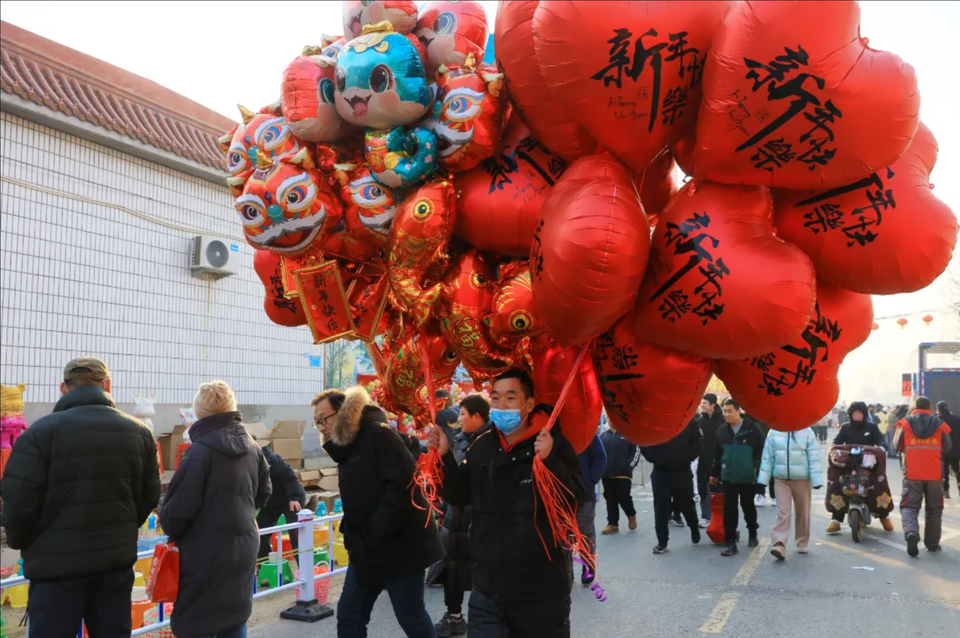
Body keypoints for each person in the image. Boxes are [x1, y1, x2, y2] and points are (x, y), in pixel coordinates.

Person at [1, 358, 160, 638]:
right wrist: (121, 528)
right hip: (114, 565)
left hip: (55, 570)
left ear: (63, 388)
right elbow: (149, 496)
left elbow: (18, 501)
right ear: (107, 385)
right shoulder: (140, 433)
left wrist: (23, 541)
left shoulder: (39, 433)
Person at [428, 369, 584, 638]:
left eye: (510, 399)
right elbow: (460, 494)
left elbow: (572, 503)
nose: (501, 406)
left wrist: (549, 462)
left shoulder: (550, 445)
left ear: (529, 404)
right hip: (488, 590)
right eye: (496, 398)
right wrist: (444, 458)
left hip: (541, 592)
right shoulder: (482, 446)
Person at [314, 386, 444, 638]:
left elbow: (404, 487)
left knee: (411, 617)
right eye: (316, 422)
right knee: (350, 615)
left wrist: (374, 532)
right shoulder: (345, 447)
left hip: (400, 548)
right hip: (365, 549)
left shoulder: (378, 435)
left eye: (324, 419)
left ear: (344, 413)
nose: (321, 427)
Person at [159, 380, 271, 638]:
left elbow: (175, 515)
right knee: (234, 615)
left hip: (204, 551)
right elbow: (265, 491)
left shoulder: (200, 451)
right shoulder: (252, 446)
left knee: (197, 621)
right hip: (243, 544)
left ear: (200, 412)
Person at [432, 394, 491, 637]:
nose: (461, 420)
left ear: (477, 416)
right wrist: (442, 507)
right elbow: (452, 480)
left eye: (464, 415)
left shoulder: (490, 443)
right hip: (452, 518)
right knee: (452, 571)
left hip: (475, 521)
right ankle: (454, 616)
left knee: (479, 573)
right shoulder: (458, 441)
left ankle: (485, 620)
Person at [894, 397, 953, 557]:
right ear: (930, 407)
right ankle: (932, 544)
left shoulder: (904, 423)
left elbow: (896, 445)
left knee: (909, 507)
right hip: (934, 474)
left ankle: (911, 533)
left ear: (914, 407)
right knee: (934, 509)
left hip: (912, 473)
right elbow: (947, 448)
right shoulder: (940, 425)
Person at [826, 401, 894, 534]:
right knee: (839, 485)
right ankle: (836, 520)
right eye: (854, 414)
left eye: (859, 414)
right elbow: (836, 442)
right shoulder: (845, 427)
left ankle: (884, 516)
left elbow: (881, 440)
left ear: (864, 415)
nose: (857, 416)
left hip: (868, 464)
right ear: (851, 415)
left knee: (879, 485)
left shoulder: (872, 427)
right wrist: (835, 449)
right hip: (849, 463)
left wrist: (881, 447)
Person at [709, 399, 765, 556]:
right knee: (729, 510)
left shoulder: (753, 429)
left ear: (738, 410)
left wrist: (758, 471)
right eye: (724, 411)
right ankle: (730, 542)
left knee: (748, 507)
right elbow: (718, 454)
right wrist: (714, 473)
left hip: (748, 477)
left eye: (729, 411)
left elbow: (761, 452)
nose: (726, 414)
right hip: (728, 476)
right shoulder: (722, 431)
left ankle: (752, 532)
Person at [758, 427, 823, 560]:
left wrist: (816, 480)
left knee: (803, 512)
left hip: (802, 479)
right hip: (780, 479)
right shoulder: (774, 431)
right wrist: (763, 479)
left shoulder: (807, 431)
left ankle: (802, 541)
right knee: (783, 512)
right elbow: (767, 456)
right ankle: (779, 543)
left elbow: (814, 456)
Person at [641, 419, 702, 554]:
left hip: (682, 470)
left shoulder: (689, 420)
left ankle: (693, 526)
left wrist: (687, 457)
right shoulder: (656, 419)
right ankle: (662, 541)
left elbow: (697, 441)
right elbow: (644, 442)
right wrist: (656, 458)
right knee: (661, 507)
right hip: (661, 472)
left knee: (686, 503)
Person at [256, 444, 307, 560]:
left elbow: (290, 478)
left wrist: (294, 497)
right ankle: (266, 564)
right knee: (259, 531)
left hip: (290, 498)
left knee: (295, 532)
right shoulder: (247, 463)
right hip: (271, 502)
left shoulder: (273, 460)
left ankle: (304, 569)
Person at [576, 432, 607, 580]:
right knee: (562, 537)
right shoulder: (553, 431)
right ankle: (564, 574)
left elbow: (600, 457)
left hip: (585, 494)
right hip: (560, 495)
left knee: (585, 532)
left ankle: (588, 567)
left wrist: (590, 480)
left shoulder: (585, 431)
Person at [599, 423, 640, 534]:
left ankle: (631, 515)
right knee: (610, 498)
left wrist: (628, 466)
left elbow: (635, 451)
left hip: (623, 473)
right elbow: (598, 453)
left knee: (624, 497)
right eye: (608, 417)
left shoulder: (628, 434)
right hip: (607, 474)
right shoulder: (603, 435)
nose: (610, 420)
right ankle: (613, 524)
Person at [695, 394, 724, 527]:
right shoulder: (700, 421)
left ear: (712, 405)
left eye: (705, 403)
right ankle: (706, 516)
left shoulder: (723, 421)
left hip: (720, 460)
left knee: (719, 490)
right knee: (703, 488)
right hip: (704, 459)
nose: (702, 405)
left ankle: (721, 518)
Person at [936, 401, 960, 499]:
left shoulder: (937, 420)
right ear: (948, 408)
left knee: (944, 471)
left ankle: (946, 492)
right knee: (957, 470)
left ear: (938, 409)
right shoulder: (957, 419)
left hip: (942, 450)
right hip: (956, 450)